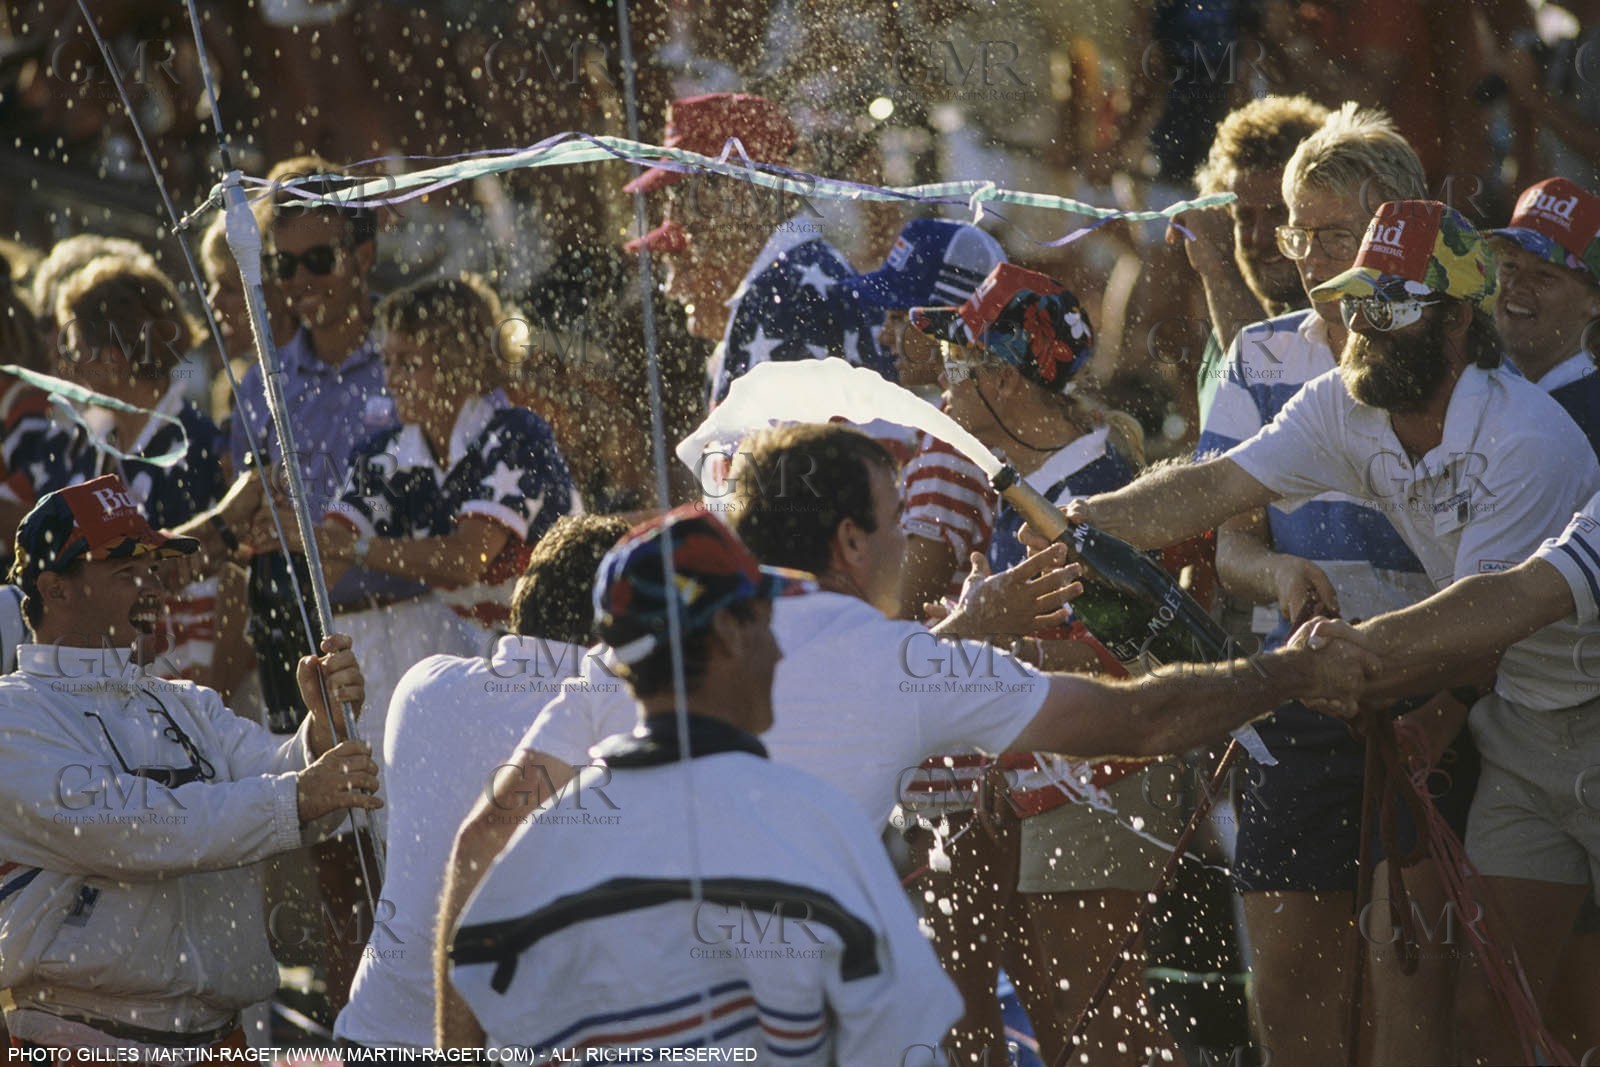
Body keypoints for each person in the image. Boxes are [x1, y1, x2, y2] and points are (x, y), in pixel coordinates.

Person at [1054, 200, 1600, 1065]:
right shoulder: (1346, 401)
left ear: (1458, 318)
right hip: (1523, 727)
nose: (1359, 326)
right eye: (1354, 301)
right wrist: (1074, 524)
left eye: (1389, 305)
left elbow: (1482, 624)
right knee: (1491, 1011)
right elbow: (1210, 488)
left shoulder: (1524, 437)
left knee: (1558, 1005)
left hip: (1559, 704)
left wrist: (1339, 663)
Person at [446, 507, 966, 1061]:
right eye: (765, 619)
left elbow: (479, 988)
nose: (779, 648)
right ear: (726, 632)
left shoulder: (545, 846)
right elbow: (900, 1040)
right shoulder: (816, 829)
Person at [1191, 106, 1448, 1066]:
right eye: (1297, 230)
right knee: (1292, 987)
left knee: (1409, 987)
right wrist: (1280, 569)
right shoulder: (1261, 355)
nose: (1302, 254)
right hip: (1296, 695)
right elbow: (1230, 548)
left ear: (1393, 229)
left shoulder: (1447, 353)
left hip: (1424, 696)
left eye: (1330, 233)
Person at [0, 474, 379, 1051]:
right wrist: (301, 794)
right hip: (83, 1043)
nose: (153, 588)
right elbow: (135, 830)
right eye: (127, 573)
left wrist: (322, 732)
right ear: (55, 591)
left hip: (221, 1042)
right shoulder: (11, 714)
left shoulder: (187, 703)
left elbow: (283, 781)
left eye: (152, 570)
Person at [907, 262, 1177, 1063]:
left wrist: (983, 638)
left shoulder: (1090, 492)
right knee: (1070, 1025)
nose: (942, 389)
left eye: (959, 368)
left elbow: (1123, 652)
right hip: (1058, 766)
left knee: (1102, 1023)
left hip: (1107, 770)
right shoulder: (1038, 483)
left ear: (1008, 381)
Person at [265, 273, 580, 773]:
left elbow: (467, 559)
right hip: (485, 660)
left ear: (462, 364)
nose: (391, 380)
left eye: (409, 364)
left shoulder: (517, 432)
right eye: (388, 361)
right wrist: (284, 532)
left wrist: (357, 550)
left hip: (565, 660)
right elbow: (326, 562)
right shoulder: (386, 454)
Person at [337, 514, 628, 1050]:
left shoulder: (422, 685)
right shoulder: (611, 723)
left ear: (526, 596)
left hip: (375, 1028)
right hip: (497, 1043)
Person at [626, 92, 894, 407]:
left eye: (684, 191)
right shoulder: (791, 275)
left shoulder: (785, 293)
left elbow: (790, 451)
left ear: (742, 187)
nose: (676, 217)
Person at [1180, 94, 1330, 422]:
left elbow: (1268, 398)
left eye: (1279, 213)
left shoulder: (1335, 318)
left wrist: (1219, 270)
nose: (1259, 238)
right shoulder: (1228, 307)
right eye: (1244, 217)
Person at [1490, 176, 1600, 448]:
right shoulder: (1474, 383)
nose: (1516, 285)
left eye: (1544, 274)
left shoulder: (1591, 415)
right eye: (1510, 266)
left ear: (1595, 301)